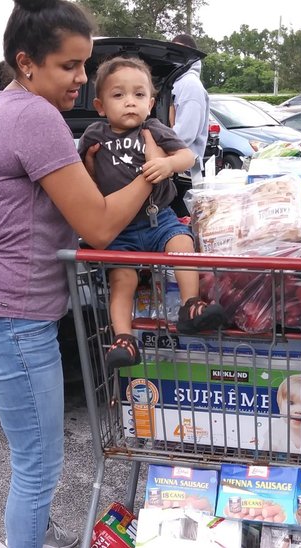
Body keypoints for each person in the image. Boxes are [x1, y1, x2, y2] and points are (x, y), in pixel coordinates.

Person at [0, 1, 168, 548]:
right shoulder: (32, 116)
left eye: (86, 65)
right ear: (27, 62)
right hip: (8, 319)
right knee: (39, 466)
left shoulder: (13, 106)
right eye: (70, 66)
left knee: (34, 460)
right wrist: (151, 170)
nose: (83, 79)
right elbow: (98, 225)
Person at [77, 56, 226, 369]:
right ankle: (124, 338)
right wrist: (90, 169)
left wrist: (168, 164)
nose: (130, 102)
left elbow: (186, 155)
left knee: (183, 246)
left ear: (151, 102)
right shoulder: (94, 135)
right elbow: (80, 177)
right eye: (118, 95)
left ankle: (190, 307)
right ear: (100, 105)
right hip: (119, 229)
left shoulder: (155, 129)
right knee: (122, 278)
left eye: (139, 95)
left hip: (160, 220)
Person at [169, 33, 210, 179]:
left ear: (191, 55)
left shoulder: (190, 85)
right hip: (173, 167)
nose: (174, 57)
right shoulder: (174, 82)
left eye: (179, 53)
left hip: (184, 174)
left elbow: (184, 135)